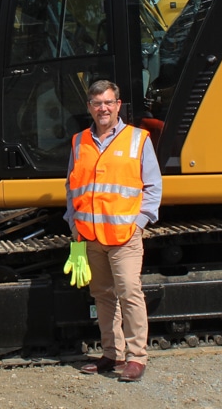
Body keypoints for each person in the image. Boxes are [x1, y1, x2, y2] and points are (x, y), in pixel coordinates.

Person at [64, 80, 161, 382]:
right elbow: (72, 186)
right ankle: (112, 353)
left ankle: (136, 357)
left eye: (108, 102)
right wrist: (73, 222)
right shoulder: (79, 142)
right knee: (103, 296)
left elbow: (153, 186)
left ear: (118, 105)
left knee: (130, 293)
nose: (102, 108)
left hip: (124, 237)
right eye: (97, 103)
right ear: (90, 107)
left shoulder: (137, 140)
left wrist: (140, 222)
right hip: (90, 237)